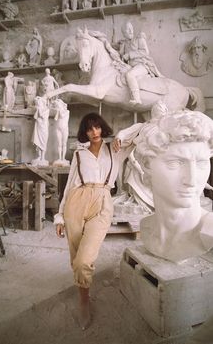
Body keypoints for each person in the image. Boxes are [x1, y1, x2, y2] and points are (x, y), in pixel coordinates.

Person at [54, 112, 141, 330]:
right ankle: (84, 296)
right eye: (89, 128)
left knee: (84, 260)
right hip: (76, 201)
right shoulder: (79, 154)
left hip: (102, 202)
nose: (94, 132)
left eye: (97, 127)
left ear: (103, 128)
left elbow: (142, 129)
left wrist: (123, 133)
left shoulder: (115, 149)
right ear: (84, 132)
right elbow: (69, 185)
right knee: (75, 256)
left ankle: (83, 300)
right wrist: (59, 215)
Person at [131, 107, 213, 262]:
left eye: (201, 163)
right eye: (176, 163)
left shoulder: (209, 232)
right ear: (147, 165)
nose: (191, 180)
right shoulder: (147, 227)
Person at [118, 21, 163, 105]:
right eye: (128, 29)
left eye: (131, 28)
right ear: (124, 33)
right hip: (131, 66)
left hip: (143, 65)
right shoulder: (124, 43)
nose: (131, 31)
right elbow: (121, 55)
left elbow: (145, 52)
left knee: (129, 75)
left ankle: (136, 98)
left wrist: (129, 54)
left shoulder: (139, 39)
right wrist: (121, 48)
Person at [31, 96, 50, 166]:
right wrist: (37, 109)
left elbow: (42, 116)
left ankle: (43, 158)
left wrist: (38, 109)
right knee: (37, 142)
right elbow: (35, 117)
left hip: (43, 129)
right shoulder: (38, 109)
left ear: (42, 103)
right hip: (38, 128)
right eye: (37, 103)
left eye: (38, 103)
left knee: (43, 142)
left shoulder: (46, 110)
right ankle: (39, 157)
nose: (37, 104)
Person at [52, 98, 70, 166]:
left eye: (58, 106)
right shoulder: (58, 112)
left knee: (64, 144)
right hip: (58, 129)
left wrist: (59, 110)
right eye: (57, 106)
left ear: (61, 105)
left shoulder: (67, 111)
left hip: (64, 129)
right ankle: (59, 158)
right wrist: (57, 111)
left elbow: (62, 115)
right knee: (59, 144)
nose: (57, 107)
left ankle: (63, 158)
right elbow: (56, 118)